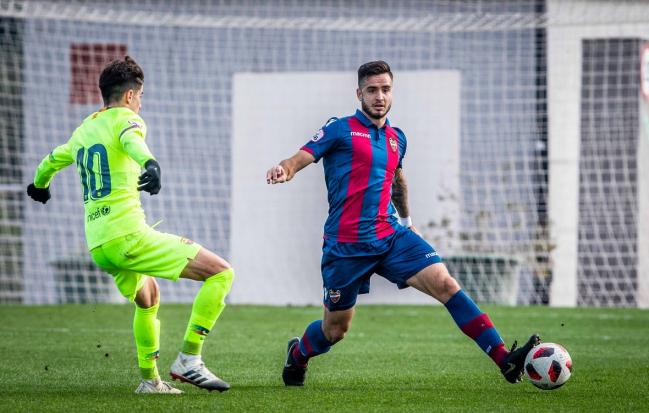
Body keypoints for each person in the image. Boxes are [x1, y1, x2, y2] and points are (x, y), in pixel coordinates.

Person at [266, 60, 539, 387]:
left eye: (385, 89)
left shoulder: (397, 138)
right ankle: (298, 354)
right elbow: (302, 156)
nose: (379, 96)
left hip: (391, 234)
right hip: (346, 245)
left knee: (446, 284)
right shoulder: (340, 129)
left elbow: (397, 182)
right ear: (359, 93)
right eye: (371, 90)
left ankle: (503, 359)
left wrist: (407, 222)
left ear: (392, 92)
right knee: (335, 330)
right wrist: (284, 169)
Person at [27, 56, 234, 394]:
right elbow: (132, 140)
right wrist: (149, 163)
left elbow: (51, 159)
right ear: (128, 96)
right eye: (140, 96)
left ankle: (150, 381)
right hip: (127, 236)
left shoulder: (84, 129)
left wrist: (39, 186)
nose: (139, 103)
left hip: (99, 244)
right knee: (221, 273)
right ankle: (190, 359)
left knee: (148, 296)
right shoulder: (128, 119)